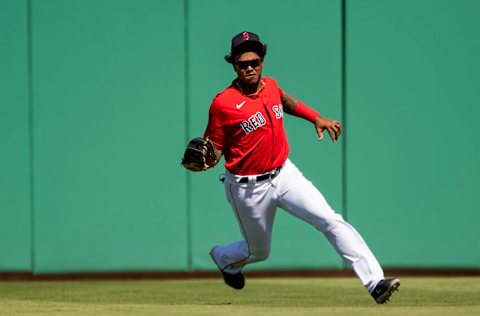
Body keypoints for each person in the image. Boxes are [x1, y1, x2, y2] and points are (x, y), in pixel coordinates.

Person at [203, 31, 400, 304]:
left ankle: (375, 282)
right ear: (233, 65)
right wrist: (205, 160)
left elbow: (284, 100)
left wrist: (315, 118)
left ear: (262, 61)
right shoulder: (223, 103)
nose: (249, 67)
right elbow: (212, 147)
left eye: (255, 61)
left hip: (284, 174)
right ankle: (225, 258)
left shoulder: (270, 85)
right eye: (242, 63)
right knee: (258, 251)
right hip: (248, 188)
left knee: (329, 220)